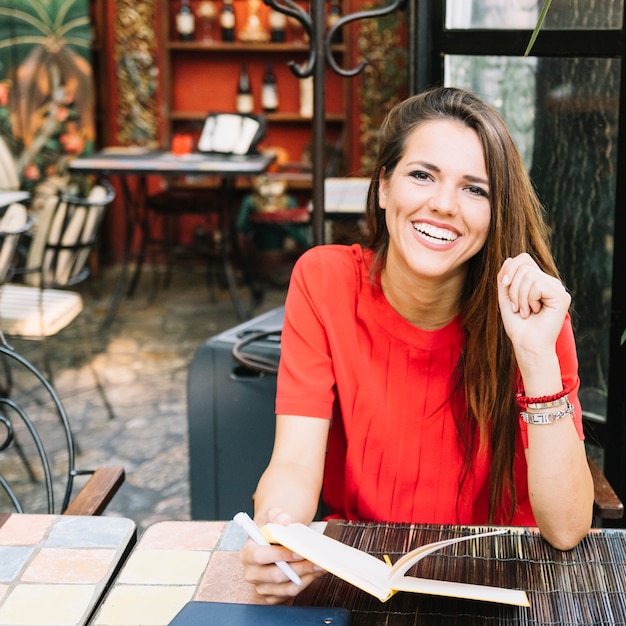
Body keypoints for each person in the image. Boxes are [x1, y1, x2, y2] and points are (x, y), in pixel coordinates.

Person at [240, 86, 594, 603]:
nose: (444, 205)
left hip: (501, 580)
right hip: (361, 572)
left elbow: (566, 530)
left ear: (497, 211)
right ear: (383, 186)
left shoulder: (533, 315)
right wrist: (278, 536)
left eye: (476, 189)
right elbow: (294, 463)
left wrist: (536, 355)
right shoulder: (324, 281)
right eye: (422, 175)